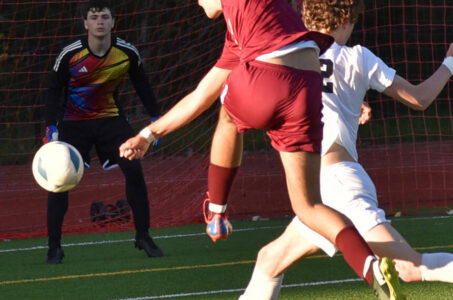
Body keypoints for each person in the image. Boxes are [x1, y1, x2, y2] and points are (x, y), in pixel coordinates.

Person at [238, 1, 453, 300]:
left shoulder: (287, 53)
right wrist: (452, 60)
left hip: (326, 188)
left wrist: (348, 105)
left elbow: (300, 102)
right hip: (333, 186)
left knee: (409, 266)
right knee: (269, 260)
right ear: (346, 21)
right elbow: (419, 98)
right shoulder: (357, 57)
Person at [120, 0, 405, 299]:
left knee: (228, 116)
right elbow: (199, 95)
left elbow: (207, 96)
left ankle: (216, 211)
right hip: (306, 89)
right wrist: (148, 134)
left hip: (270, 77)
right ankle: (369, 267)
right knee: (308, 206)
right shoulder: (241, 30)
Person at [43, 0, 163, 264]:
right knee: (58, 183)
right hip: (73, 124)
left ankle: (143, 236)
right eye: (94, 17)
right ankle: (54, 247)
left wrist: (157, 118)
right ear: (85, 23)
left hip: (111, 121)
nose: (99, 21)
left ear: (112, 22)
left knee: (134, 172)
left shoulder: (127, 52)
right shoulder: (70, 54)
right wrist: (51, 126)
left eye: (104, 16)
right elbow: (54, 91)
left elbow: (142, 84)